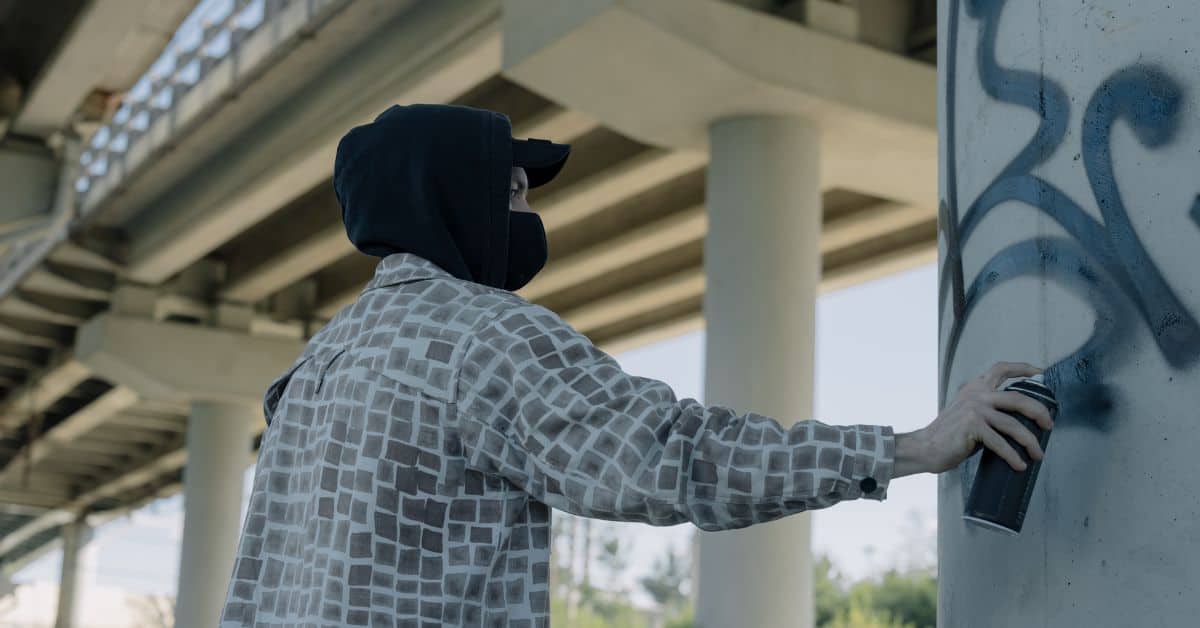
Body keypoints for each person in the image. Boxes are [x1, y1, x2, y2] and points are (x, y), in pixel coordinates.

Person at [219, 103, 1053, 627]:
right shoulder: (478, 338)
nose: (528, 214)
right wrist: (910, 446)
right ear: (449, 200)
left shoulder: (317, 367)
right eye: (512, 194)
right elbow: (675, 457)